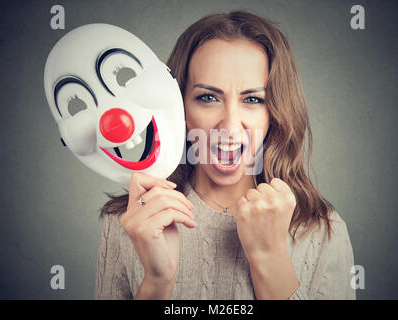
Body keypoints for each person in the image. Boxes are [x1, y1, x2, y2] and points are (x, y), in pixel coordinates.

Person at [95, 10, 355, 300]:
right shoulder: (129, 221)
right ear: (177, 107)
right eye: (208, 98)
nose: (230, 126)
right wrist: (157, 282)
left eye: (253, 99)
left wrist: (270, 261)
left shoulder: (322, 231)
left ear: (275, 114)